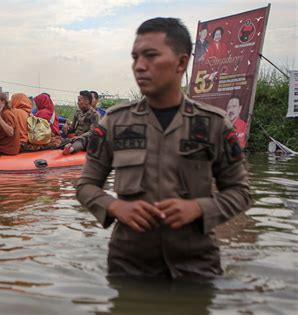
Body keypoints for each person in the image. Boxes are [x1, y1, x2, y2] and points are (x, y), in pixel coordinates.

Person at [76, 17, 251, 278]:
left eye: (151, 56)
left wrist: (199, 208)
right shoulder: (114, 122)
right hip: (129, 265)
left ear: (181, 62)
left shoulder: (214, 124)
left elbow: (240, 192)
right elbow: (85, 186)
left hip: (196, 265)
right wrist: (115, 207)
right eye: (135, 58)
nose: (140, 66)